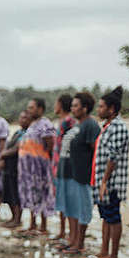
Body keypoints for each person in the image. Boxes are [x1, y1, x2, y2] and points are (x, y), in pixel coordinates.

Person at [88, 87, 129, 258]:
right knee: (105, 217)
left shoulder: (118, 127)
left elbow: (113, 156)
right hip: (101, 181)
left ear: (111, 109)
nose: (98, 110)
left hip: (111, 182)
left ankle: (113, 256)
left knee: (113, 217)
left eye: (101, 107)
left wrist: (104, 181)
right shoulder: (107, 126)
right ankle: (104, 251)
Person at [60, 92, 100, 254]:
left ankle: (80, 243)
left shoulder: (91, 125)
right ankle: (73, 240)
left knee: (83, 209)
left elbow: (95, 151)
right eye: (73, 105)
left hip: (83, 176)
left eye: (76, 105)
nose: (73, 108)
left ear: (85, 108)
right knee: (72, 208)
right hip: (70, 174)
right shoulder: (77, 125)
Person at [18, 97, 56, 235]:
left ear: (40, 109)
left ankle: (43, 226)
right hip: (28, 171)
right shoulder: (32, 125)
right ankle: (32, 224)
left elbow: (50, 145)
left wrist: (47, 165)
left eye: (32, 107)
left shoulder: (45, 124)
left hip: (40, 169)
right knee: (32, 194)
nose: (29, 110)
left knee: (42, 195)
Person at [52, 95, 77, 242]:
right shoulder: (61, 121)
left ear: (61, 105)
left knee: (68, 201)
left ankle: (69, 233)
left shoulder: (69, 122)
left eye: (56, 103)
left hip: (66, 167)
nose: (54, 106)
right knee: (61, 200)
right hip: (57, 167)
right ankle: (62, 231)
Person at [0, 110, 29, 228]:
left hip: (17, 167)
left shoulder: (27, 134)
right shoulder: (18, 132)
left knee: (16, 194)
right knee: (9, 193)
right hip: (9, 166)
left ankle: (17, 219)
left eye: (25, 118)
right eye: (21, 118)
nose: (22, 120)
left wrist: (2, 155)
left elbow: (16, 149)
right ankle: (13, 217)